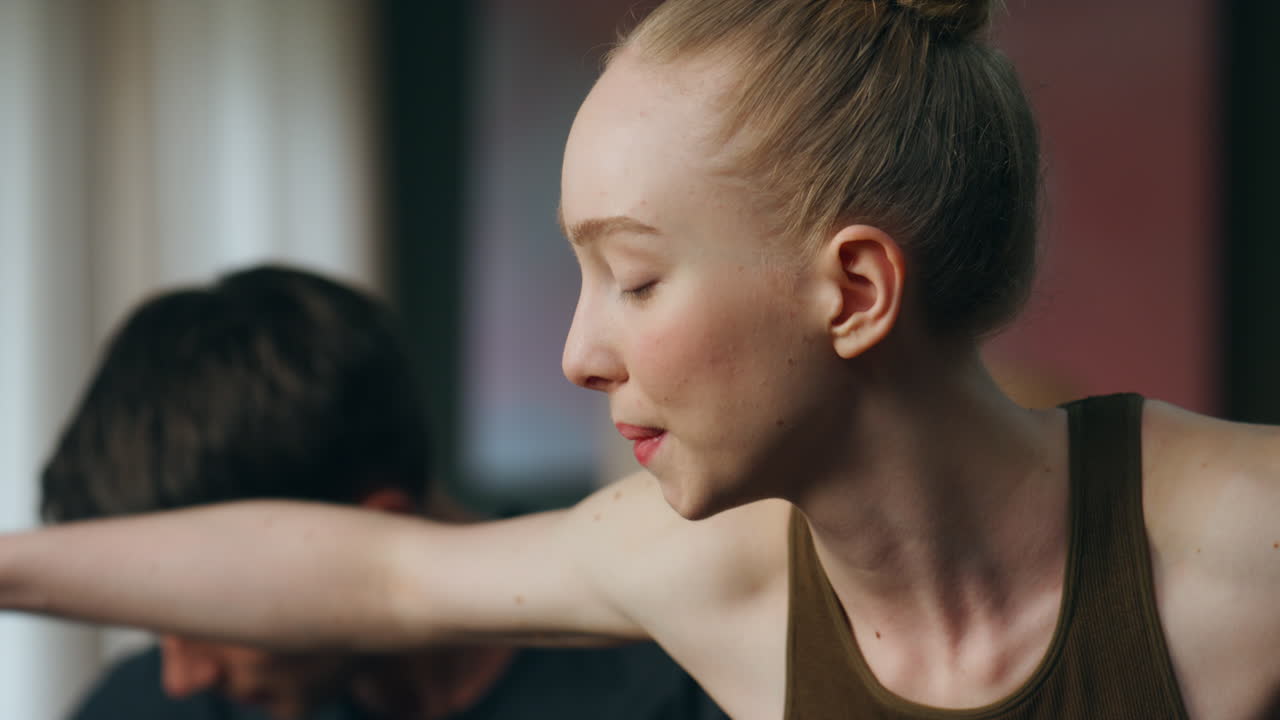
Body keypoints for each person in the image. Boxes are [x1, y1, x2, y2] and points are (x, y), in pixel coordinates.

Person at [2, 1, 1278, 718]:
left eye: (635, 276)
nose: (577, 353)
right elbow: (372, 575)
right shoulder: (714, 583)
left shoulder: (1243, 542)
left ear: (852, 291)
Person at [39, 265, 726, 720]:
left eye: (206, 616)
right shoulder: (137, 709)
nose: (181, 676)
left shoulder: (679, 684)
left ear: (377, 529)